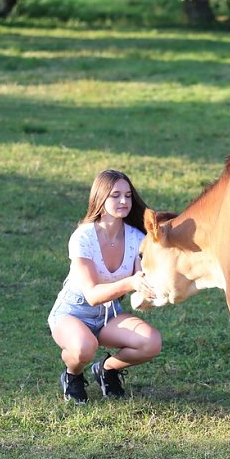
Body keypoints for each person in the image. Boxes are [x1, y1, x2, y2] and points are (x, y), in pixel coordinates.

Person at [47, 169, 160, 404]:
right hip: (73, 312)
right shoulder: (83, 237)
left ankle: (107, 369)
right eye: (115, 195)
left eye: (128, 196)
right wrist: (130, 282)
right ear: (100, 198)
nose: (124, 201)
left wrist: (156, 288)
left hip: (110, 314)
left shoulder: (137, 237)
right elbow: (91, 295)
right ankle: (73, 375)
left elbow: (144, 278)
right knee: (83, 348)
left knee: (151, 343)